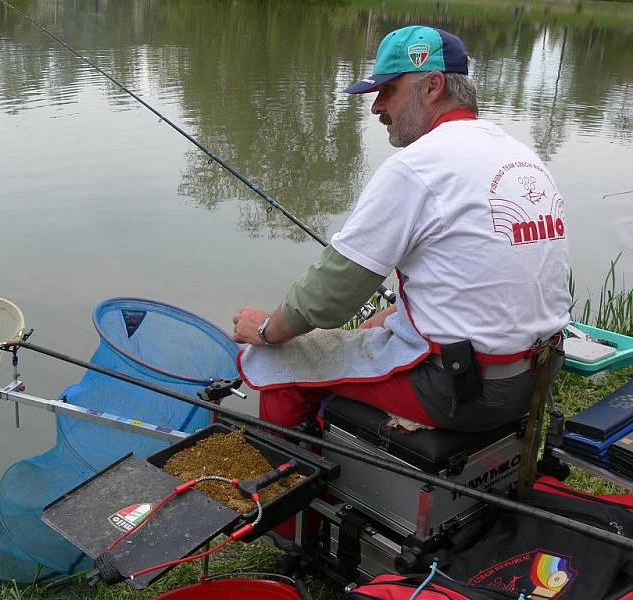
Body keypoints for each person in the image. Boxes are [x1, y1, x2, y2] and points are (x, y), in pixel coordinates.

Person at [232, 25, 570, 433]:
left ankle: (285, 480)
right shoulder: (519, 156)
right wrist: (399, 316)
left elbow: (327, 299)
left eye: (387, 90)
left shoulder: (419, 167)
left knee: (277, 365)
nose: (376, 107)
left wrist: (267, 330)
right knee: (364, 337)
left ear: (432, 86)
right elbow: (480, 280)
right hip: (536, 376)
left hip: (464, 391)